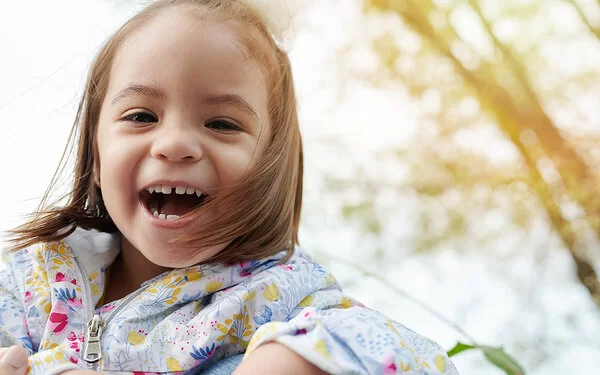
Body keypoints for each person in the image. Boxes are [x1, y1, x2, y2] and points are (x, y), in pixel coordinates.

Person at [0, 0, 459, 374]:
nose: (176, 143)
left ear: (271, 167)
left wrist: (290, 361)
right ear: (96, 157)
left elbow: (407, 357)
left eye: (222, 123)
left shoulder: (281, 296)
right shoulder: (28, 281)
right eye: (141, 116)